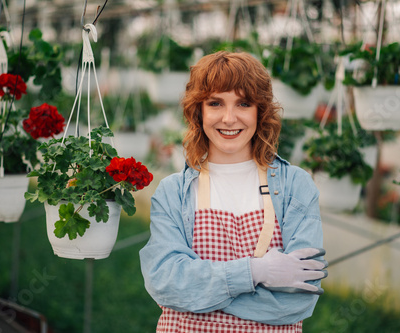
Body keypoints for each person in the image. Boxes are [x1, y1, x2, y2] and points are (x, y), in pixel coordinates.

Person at [139, 51, 327, 332]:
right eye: (215, 103)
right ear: (198, 111)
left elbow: (299, 300)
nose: (229, 118)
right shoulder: (173, 192)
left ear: (260, 111)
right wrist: (255, 272)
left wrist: (198, 293)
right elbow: (165, 283)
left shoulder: (295, 186)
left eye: (243, 103)